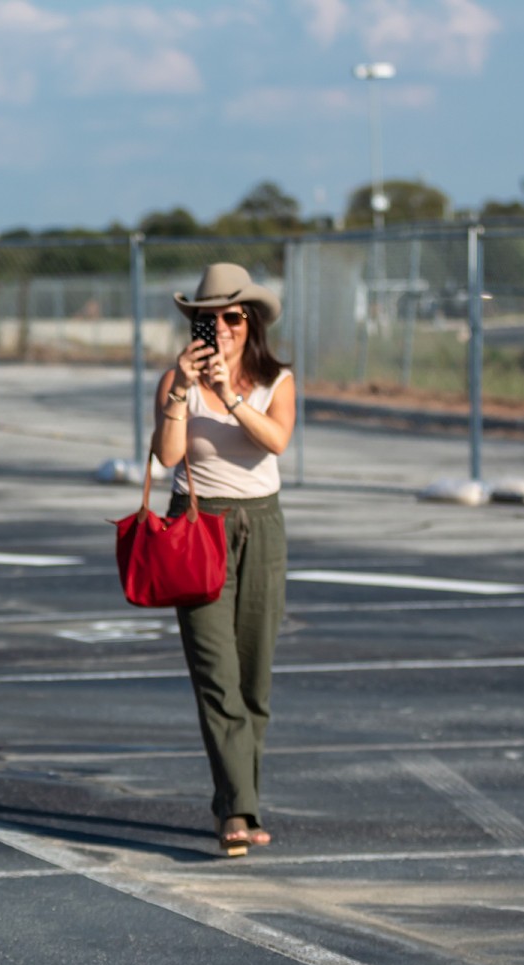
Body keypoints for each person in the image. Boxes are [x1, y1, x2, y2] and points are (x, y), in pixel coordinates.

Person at [150, 263, 295, 857]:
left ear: (251, 321)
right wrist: (182, 391)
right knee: (217, 675)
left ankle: (239, 796)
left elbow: (277, 440)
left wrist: (231, 397)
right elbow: (166, 456)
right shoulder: (175, 380)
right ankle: (237, 810)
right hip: (196, 524)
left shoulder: (276, 379)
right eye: (208, 318)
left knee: (254, 678)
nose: (222, 327)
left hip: (260, 526)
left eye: (232, 317)